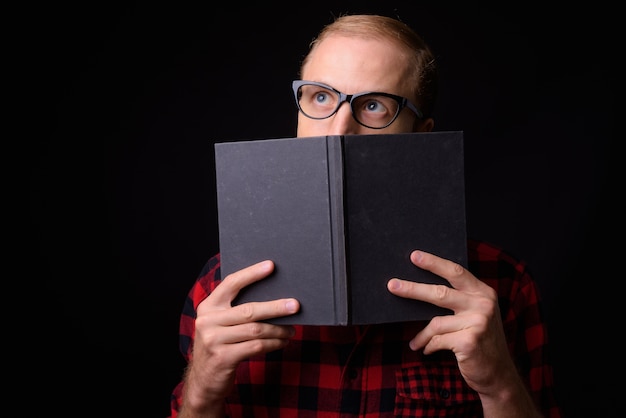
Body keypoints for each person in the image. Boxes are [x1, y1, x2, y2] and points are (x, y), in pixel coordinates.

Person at [169, 13, 561, 417]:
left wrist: (499, 386)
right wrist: (201, 392)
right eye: (321, 97)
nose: (339, 128)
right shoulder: (221, 289)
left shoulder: (503, 286)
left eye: (374, 105)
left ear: (421, 135)